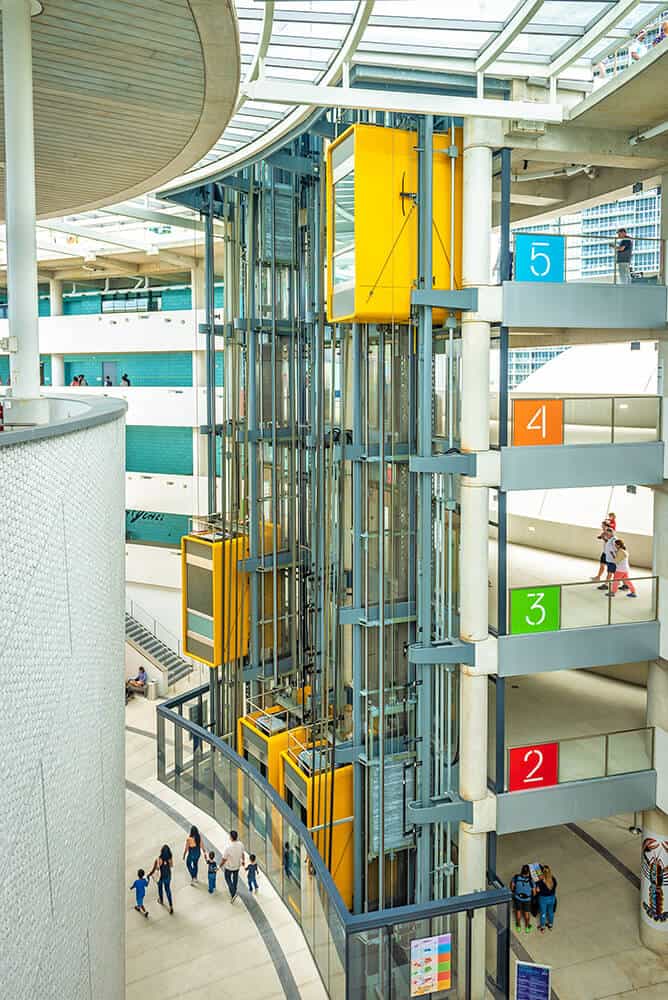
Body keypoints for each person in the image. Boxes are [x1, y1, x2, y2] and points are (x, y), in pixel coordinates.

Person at [148, 844, 174, 914]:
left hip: (160, 877)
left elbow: (154, 869)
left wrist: (149, 874)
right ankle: (171, 905)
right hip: (168, 876)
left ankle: (161, 900)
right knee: (168, 890)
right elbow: (171, 866)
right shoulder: (170, 858)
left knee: (160, 888)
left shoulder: (158, 859)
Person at [221, 829, 245, 903]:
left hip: (229, 867)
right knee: (235, 879)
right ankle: (233, 894)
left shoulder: (228, 847)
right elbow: (242, 853)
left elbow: (224, 859)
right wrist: (243, 861)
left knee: (227, 878)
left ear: (231, 837)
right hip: (237, 866)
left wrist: (220, 866)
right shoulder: (241, 844)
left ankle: (233, 892)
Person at [510, 864, 535, 934]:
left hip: (518, 898)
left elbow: (512, 887)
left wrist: (515, 892)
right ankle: (527, 927)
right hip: (527, 900)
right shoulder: (531, 881)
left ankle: (518, 926)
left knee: (518, 913)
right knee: (527, 915)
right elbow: (534, 892)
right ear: (528, 872)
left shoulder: (516, 877)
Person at [536, 865, 558, 932]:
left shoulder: (541, 882)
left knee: (543, 913)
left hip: (543, 899)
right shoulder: (553, 879)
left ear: (543, 873)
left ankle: (542, 927)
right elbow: (555, 886)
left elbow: (537, 890)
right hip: (552, 898)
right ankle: (550, 925)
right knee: (551, 912)